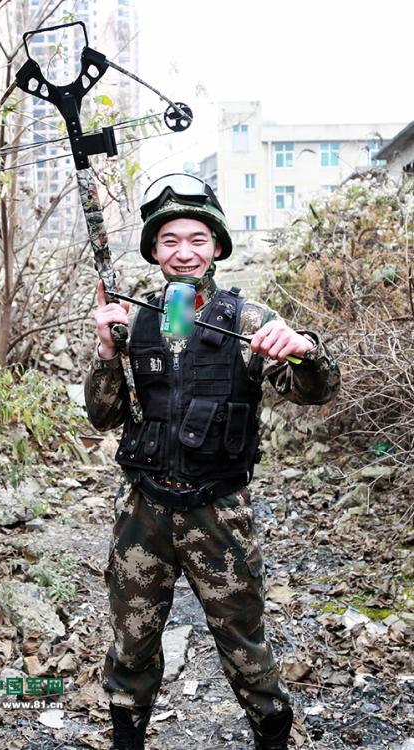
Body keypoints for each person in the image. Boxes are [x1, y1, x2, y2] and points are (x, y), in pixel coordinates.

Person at [84, 173, 340, 750]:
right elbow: (103, 418)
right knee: (132, 641)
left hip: (217, 511)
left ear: (218, 247)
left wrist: (304, 351)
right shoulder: (136, 318)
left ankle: (272, 734)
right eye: (170, 240)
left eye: (197, 239)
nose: (183, 252)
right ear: (154, 250)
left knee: (244, 641)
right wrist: (106, 351)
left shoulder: (249, 319)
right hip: (143, 510)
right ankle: (128, 736)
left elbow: (315, 392)